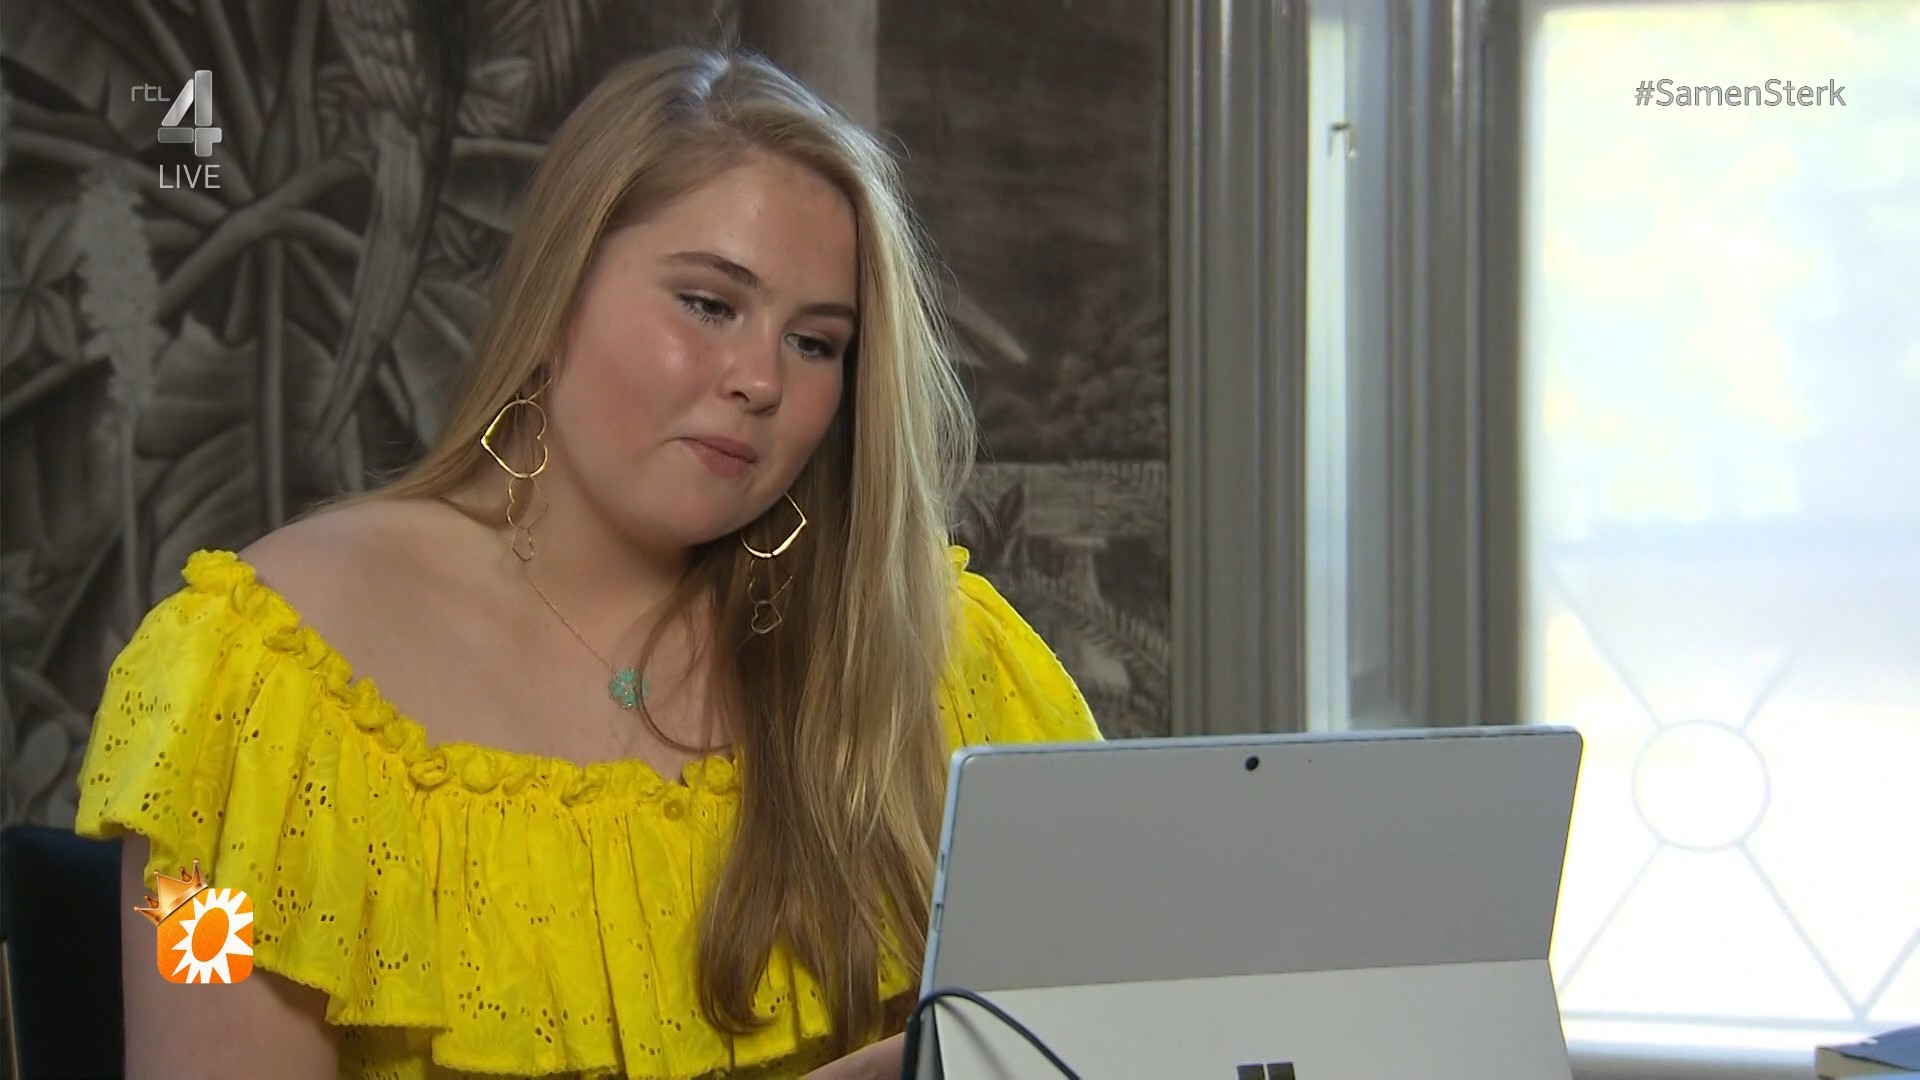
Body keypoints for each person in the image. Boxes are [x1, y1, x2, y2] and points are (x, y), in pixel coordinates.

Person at [73, 46, 1100, 1080]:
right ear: (558, 290)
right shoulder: (245, 693)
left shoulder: (936, 656)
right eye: (708, 304)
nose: (759, 379)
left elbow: (1126, 1021)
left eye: (816, 343)